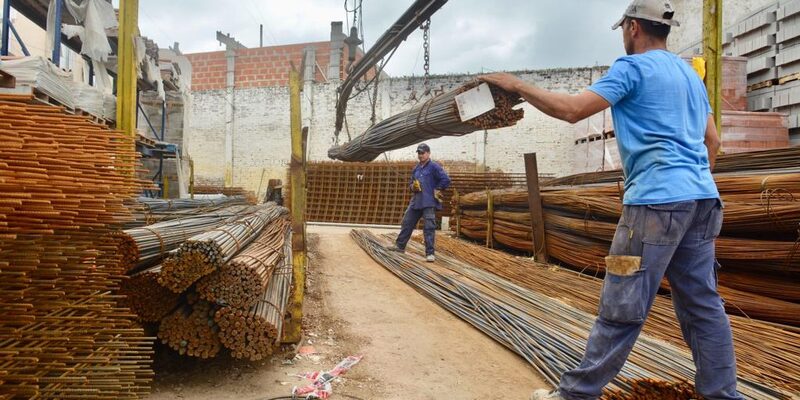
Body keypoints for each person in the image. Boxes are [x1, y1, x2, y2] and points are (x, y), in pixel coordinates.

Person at [480, 0, 743, 399]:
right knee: (704, 307)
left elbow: (571, 111)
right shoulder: (690, 75)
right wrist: (691, 180)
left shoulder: (631, 69)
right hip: (703, 201)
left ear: (633, 28)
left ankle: (576, 395)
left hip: (654, 205)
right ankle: (723, 395)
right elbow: (713, 141)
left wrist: (516, 85)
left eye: (623, 28)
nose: (623, 35)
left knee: (623, 304)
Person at [388, 143, 451, 262]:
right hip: (416, 201)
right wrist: (413, 187)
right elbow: (411, 183)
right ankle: (400, 246)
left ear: (428, 153)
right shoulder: (416, 168)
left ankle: (430, 253)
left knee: (429, 228)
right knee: (407, 222)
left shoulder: (434, 167)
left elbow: (446, 180)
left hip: (429, 202)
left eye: (422, 153)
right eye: (419, 153)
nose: (420, 155)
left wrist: (437, 188)